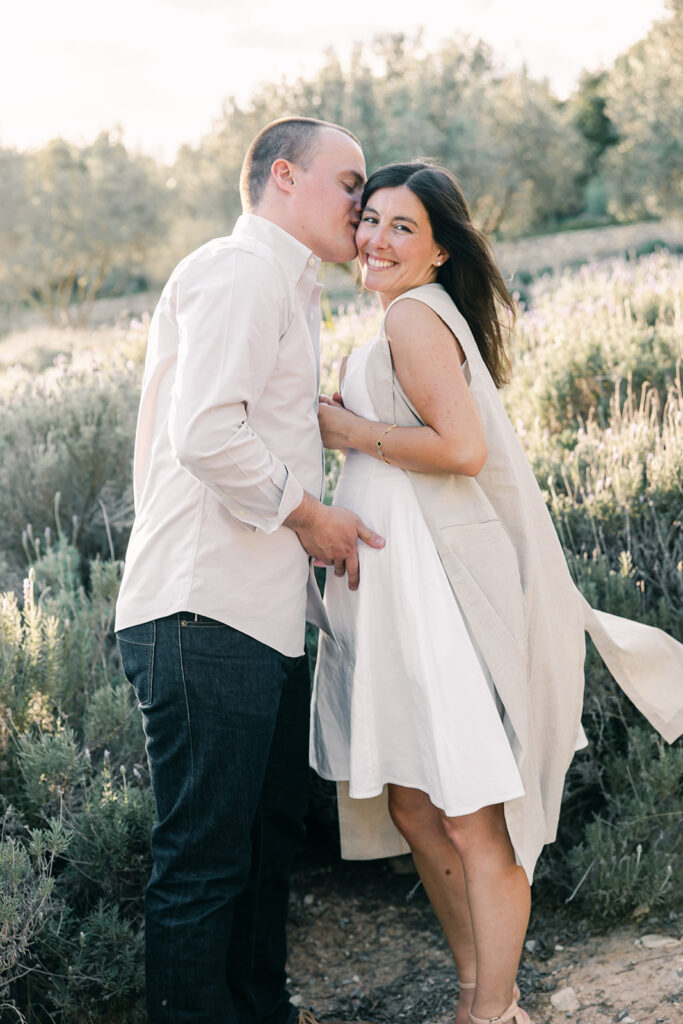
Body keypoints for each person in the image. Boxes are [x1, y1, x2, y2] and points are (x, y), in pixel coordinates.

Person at [310, 161, 683, 1024]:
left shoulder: (410, 315)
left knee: (469, 815)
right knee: (411, 802)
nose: (375, 238)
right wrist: (360, 433)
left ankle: (489, 1009)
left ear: (440, 250)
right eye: (370, 219)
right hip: (397, 595)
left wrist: (349, 429)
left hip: (434, 601)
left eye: (402, 227)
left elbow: (461, 450)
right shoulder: (404, 318)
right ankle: (486, 991)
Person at [115, 116, 382, 1024]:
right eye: (349, 182)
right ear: (282, 176)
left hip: (257, 618)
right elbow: (205, 435)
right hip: (202, 612)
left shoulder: (287, 287)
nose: (364, 200)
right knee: (204, 864)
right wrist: (312, 517)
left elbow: (248, 423)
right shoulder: (241, 271)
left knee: (263, 850)